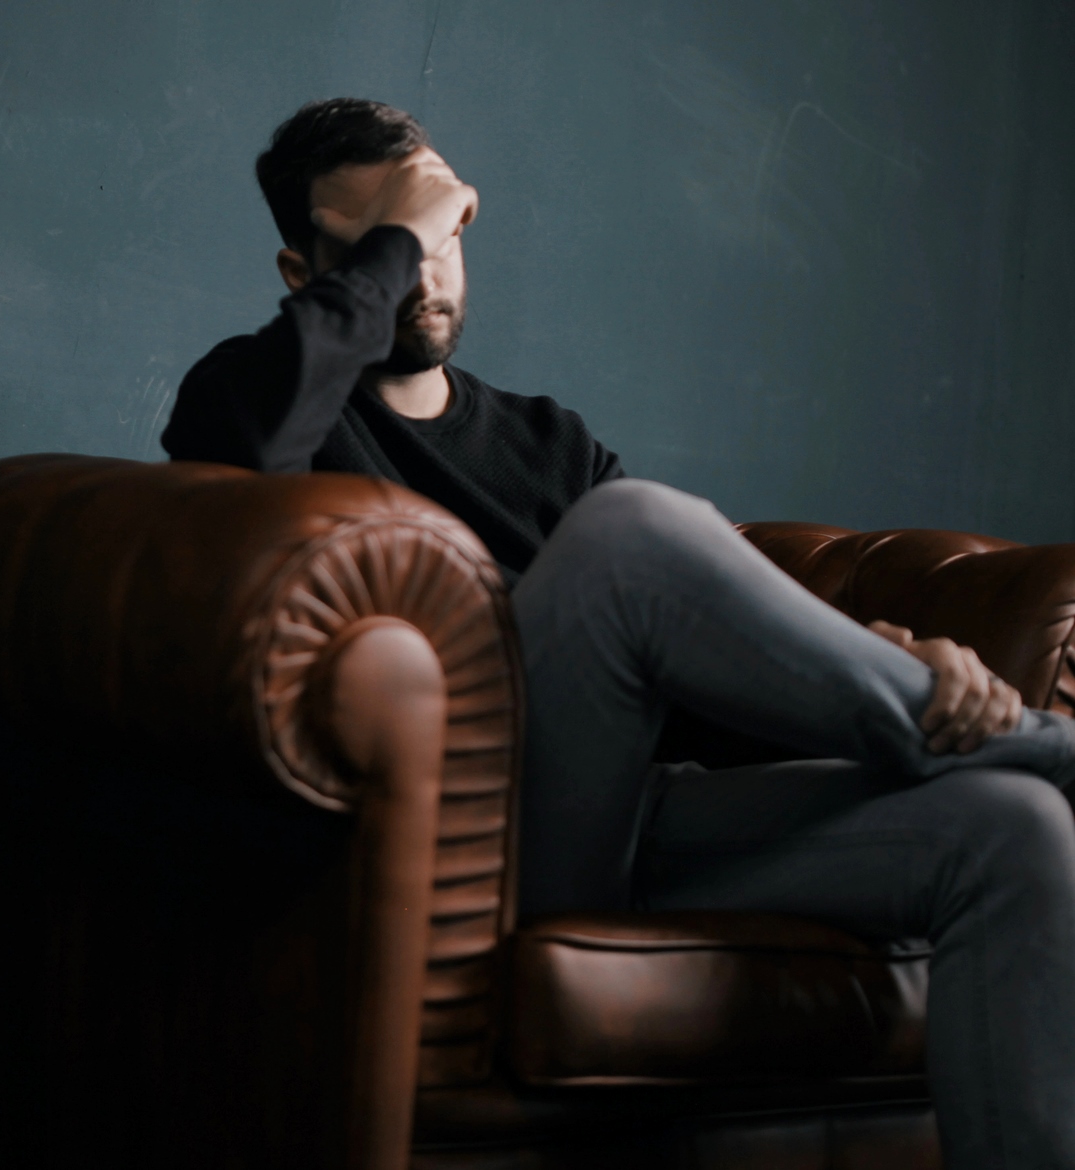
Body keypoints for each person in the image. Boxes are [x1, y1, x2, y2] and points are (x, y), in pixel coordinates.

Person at [161, 97, 1075, 1169]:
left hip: (632, 821)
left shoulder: (552, 442)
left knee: (1014, 829)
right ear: (303, 272)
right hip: (477, 849)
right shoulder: (256, 398)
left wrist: (868, 659)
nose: (423, 270)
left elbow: (680, 675)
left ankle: (992, 749)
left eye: (443, 230)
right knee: (631, 531)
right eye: (383, 242)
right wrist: (405, 234)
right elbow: (236, 459)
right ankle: (1039, 743)